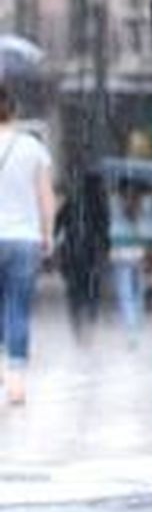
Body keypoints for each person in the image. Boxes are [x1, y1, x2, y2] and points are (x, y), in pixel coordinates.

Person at [0, 81, 54, 404]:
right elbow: (45, 196)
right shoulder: (33, 147)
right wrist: (48, 235)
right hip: (24, 239)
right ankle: (17, 378)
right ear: (14, 111)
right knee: (17, 308)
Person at [54, 168, 110, 338]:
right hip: (92, 253)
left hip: (72, 252)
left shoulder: (71, 202)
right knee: (91, 288)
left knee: (74, 290)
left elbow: (57, 225)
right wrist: (105, 252)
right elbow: (105, 230)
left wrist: (55, 246)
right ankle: (90, 321)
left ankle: (77, 324)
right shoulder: (101, 205)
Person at [108, 180, 152, 342]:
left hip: (120, 252)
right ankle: (137, 325)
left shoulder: (113, 202)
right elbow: (151, 230)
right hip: (141, 252)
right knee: (139, 292)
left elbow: (109, 226)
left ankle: (131, 329)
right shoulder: (147, 203)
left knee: (125, 292)